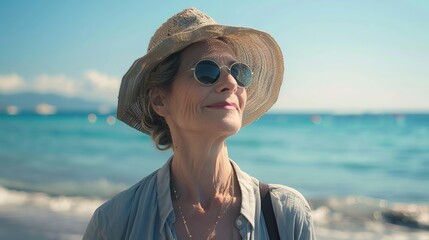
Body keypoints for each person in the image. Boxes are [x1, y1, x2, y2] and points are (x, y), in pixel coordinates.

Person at [83, 7, 315, 240]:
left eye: (238, 71)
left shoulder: (285, 215)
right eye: (207, 70)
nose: (231, 82)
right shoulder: (115, 223)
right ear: (160, 99)